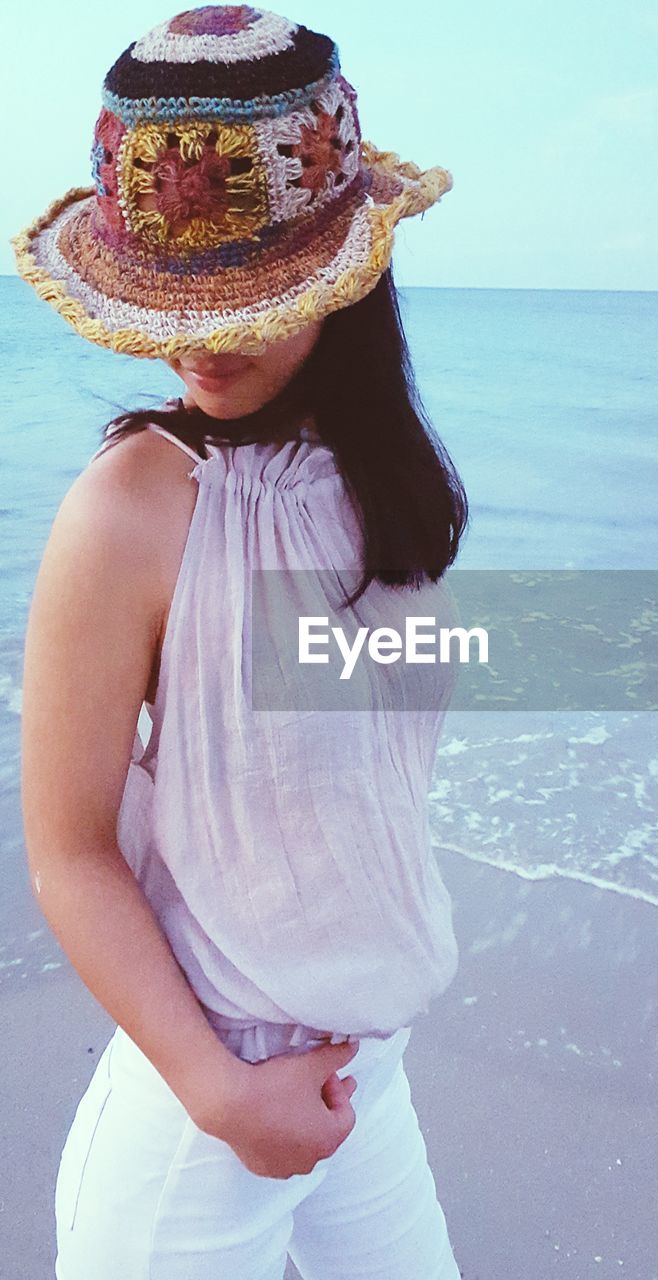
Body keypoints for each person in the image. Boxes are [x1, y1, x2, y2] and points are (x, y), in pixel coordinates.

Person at [12, 6, 469, 1278]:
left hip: (369, 1077)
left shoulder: (377, 482)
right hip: (196, 1122)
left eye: (249, 297)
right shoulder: (133, 508)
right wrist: (220, 1093)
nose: (201, 339)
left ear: (347, 272)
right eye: (178, 299)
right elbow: (68, 852)